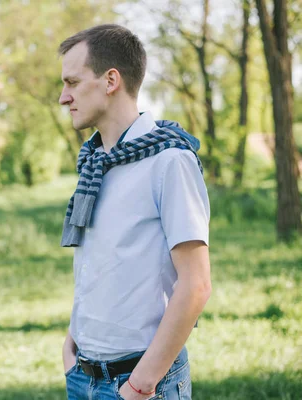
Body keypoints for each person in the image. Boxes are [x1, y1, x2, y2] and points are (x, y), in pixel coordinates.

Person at [58, 24, 212, 400]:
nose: (64, 97)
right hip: (83, 375)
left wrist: (140, 384)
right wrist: (72, 346)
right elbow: (100, 264)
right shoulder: (94, 165)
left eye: (73, 83)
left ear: (111, 80)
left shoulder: (169, 161)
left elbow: (196, 285)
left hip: (140, 384)